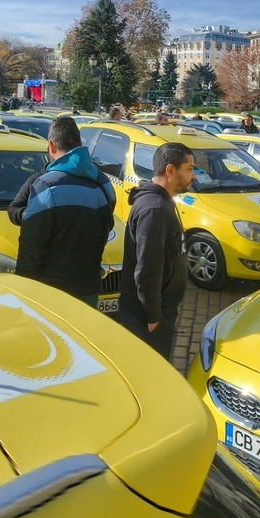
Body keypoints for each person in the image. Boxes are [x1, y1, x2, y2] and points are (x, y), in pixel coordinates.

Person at [8, 117, 116, 306]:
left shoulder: (46, 185)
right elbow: (107, 224)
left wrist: (22, 288)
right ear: (80, 143)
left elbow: (32, 246)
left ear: (51, 146)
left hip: (51, 292)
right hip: (89, 288)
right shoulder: (103, 181)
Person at [117, 142, 193, 360]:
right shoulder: (154, 209)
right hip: (147, 317)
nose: (193, 175)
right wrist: (153, 316)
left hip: (158, 310)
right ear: (170, 170)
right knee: (149, 372)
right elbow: (148, 268)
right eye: (189, 169)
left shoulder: (161, 203)